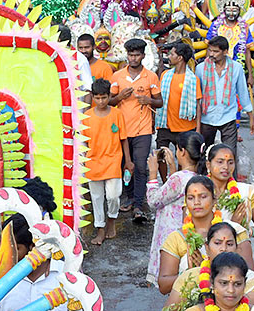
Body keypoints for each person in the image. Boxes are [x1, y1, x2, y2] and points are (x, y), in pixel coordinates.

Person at [161, 222, 254, 311]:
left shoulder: (250, 279)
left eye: (229, 244)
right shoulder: (191, 276)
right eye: (217, 243)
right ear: (207, 248)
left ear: (237, 248)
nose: (223, 248)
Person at [157, 176, 254, 295]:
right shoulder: (176, 238)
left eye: (203, 197)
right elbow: (163, 286)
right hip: (189, 306)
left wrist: (206, 271)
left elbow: (250, 277)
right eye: (191, 198)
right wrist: (192, 273)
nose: (197, 202)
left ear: (214, 200)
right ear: (186, 202)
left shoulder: (234, 231)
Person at [109, 38, 162, 223]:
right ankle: (130, 197)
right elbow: (109, 101)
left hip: (143, 130)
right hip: (121, 130)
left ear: (143, 56)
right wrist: (119, 97)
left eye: (137, 55)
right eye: (130, 55)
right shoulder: (117, 76)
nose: (133, 58)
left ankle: (139, 205)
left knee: (140, 167)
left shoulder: (151, 77)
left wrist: (149, 101)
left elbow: (160, 102)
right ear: (127, 55)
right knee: (124, 165)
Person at [146, 131, 205, 288]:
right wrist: (172, 167)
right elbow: (175, 193)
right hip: (189, 233)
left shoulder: (178, 179)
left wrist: (152, 173)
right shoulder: (199, 178)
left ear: (182, 151)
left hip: (172, 236)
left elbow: (153, 201)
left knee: (173, 284)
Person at [82, 78, 131, 246]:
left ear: (109, 96)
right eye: (97, 98)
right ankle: (100, 228)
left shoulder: (117, 114)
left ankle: (112, 219)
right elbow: (81, 142)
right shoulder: (86, 117)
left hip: (113, 160)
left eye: (104, 97)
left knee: (113, 195)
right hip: (93, 161)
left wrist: (128, 161)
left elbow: (123, 139)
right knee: (96, 197)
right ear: (93, 97)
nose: (101, 101)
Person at [197, 36, 254, 149]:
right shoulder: (200, 68)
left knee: (229, 154)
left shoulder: (236, 68)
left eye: (216, 51)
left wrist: (251, 118)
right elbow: (197, 97)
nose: (211, 54)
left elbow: (243, 93)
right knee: (203, 156)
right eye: (210, 50)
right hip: (206, 118)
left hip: (228, 117)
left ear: (225, 52)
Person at [204, 143, 254, 239]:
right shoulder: (198, 192)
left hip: (240, 250)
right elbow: (190, 227)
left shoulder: (246, 192)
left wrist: (246, 231)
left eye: (230, 162)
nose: (226, 167)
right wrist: (232, 225)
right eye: (220, 162)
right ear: (208, 165)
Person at [155, 41, 201, 151]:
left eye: (171, 54)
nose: (169, 57)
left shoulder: (193, 80)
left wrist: (198, 129)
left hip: (186, 127)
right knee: (161, 156)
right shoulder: (165, 75)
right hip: (164, 125)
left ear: (180, 58)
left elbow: (198, 105)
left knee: (184, 160)